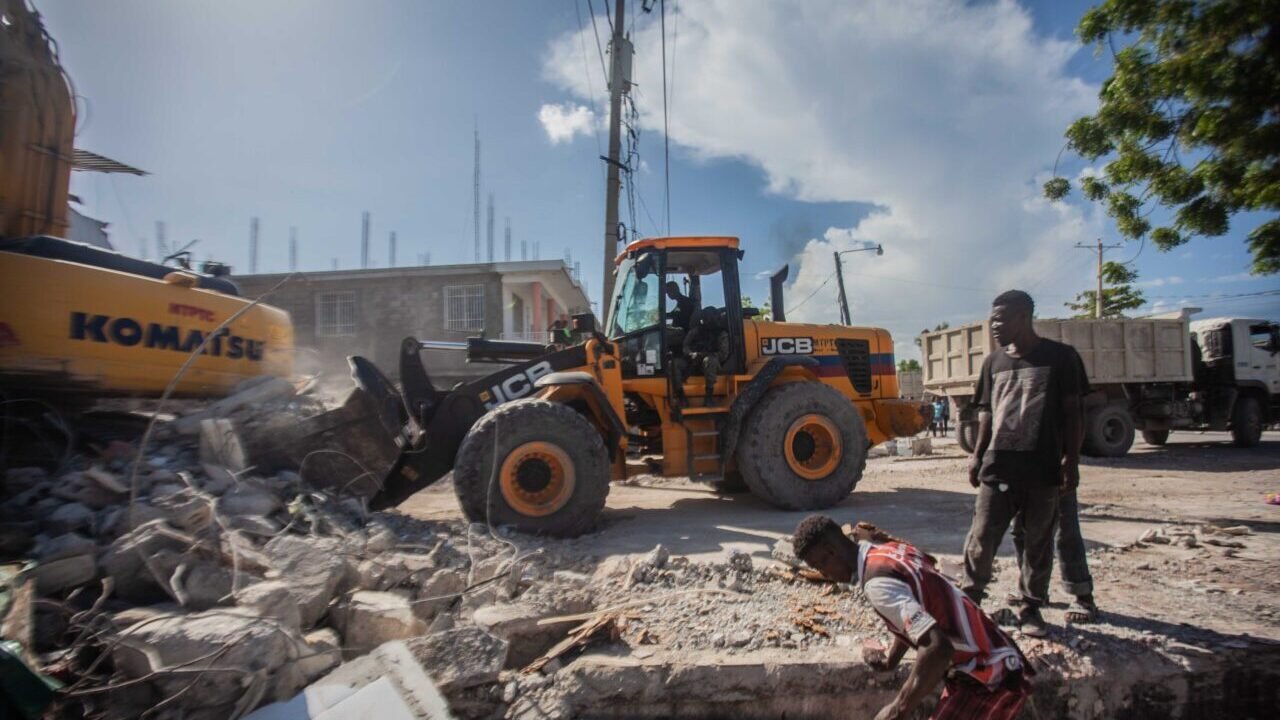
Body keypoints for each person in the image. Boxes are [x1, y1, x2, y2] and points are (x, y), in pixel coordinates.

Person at [793, 516, 1033, 720]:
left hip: (989, 676)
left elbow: (938, 648)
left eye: (820, 565)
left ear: (830, 551)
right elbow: (920, 614)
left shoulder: (878, 585)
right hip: (991, 660)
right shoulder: (886, 550)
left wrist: (898, 708)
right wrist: (891, 660)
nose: (824, 574)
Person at [962, 290, 1085, 637]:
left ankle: (1031, 607)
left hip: (1042, 468)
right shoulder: (993, 362)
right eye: (992, 320)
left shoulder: (1061, 358)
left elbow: (1074, 411)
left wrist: (1071, 461)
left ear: (1023, 318)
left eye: (1001, 320)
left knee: (1038, 542)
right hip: (997, 467)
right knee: (982, 537)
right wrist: (976, 454)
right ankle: (969, 601)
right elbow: (986, 412)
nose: (994, 327)